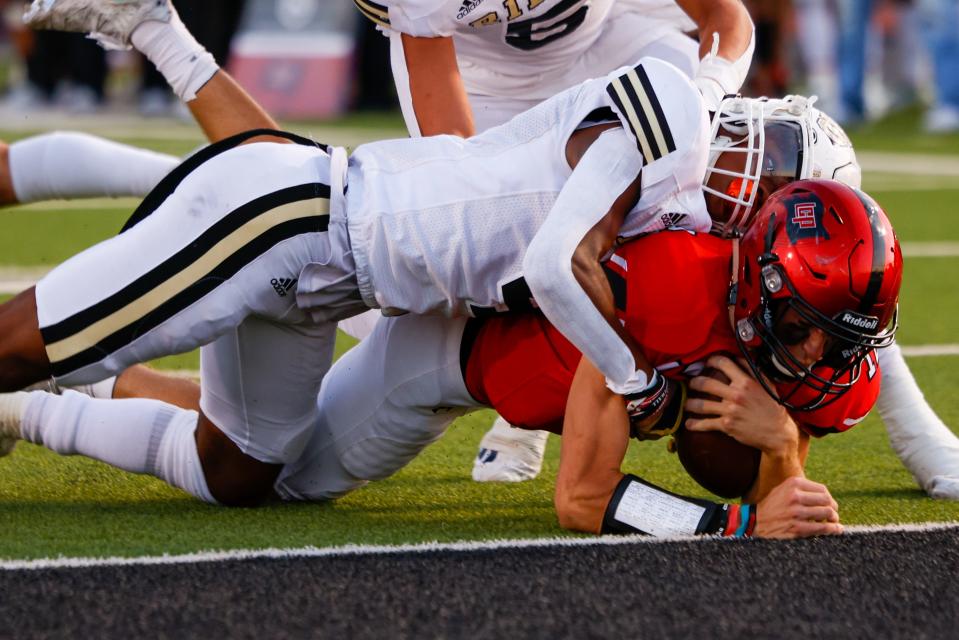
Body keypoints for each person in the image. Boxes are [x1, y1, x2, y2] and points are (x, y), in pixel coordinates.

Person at [1, 0, 718, 507]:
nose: (748, 163)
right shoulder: (649, 121)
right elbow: (556, 264)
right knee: (19, 348)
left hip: (329, 272)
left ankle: (22, 416)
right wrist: (638, 381)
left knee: (239, 471)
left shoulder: (664, 185)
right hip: (291, 222)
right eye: (754, 141)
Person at [0, 179, 898, 541]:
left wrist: (782, 447)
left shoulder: (829, 368)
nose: (822, 353)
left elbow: (766, 475)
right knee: (257, 474)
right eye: (807, 324)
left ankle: (81, 383)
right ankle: (25, 409)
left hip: (495, 312)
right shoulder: (663, 288)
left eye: (846, 332)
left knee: (252, 428)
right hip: (444, 342)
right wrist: (731, 531)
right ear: (755, 284)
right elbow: (581, 501)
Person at [351, 0, 756, 481]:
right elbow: (454, 148)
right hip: (488, 87)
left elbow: (726, 17)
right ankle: (536, 394)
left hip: (615, 44)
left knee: (738, 177)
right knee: (483, 243)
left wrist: (708, 93)